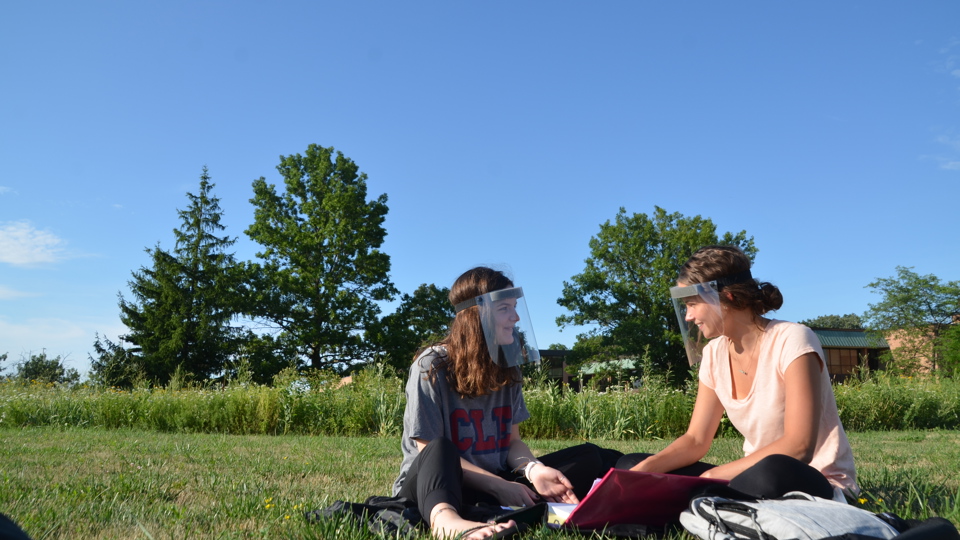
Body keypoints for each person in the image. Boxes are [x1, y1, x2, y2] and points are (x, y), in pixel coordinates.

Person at [393, 267, 621, 539]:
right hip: (434, 487)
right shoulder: (431, 366)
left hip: (493, 481)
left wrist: (534, 470)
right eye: (504, 308)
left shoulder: (508, 369)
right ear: (476, 315)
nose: (515, 317)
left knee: (590, 456)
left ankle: (505, 506)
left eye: (514, 307)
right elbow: (427, 450)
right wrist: (499, 485)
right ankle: (447, 522)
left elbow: (512, 443)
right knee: (442, 449)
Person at [617, 246, 858, 502]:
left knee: (770, 472)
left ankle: (698, 500)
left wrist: (711, 478)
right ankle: (702, 500)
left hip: (809, 480)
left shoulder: (792, 338)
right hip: (751, 477)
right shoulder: (713, 354)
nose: (688, 316)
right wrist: (646, 469)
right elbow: (696, 439)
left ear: (727, 297)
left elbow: (799, 447)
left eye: (692, 304)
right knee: (630, 464)